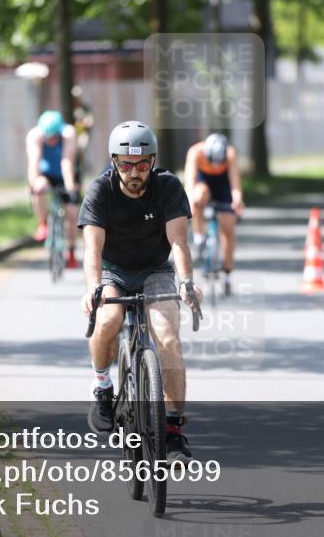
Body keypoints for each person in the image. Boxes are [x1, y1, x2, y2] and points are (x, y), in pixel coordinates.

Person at [78, 121, 202, 463]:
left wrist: (187, 282)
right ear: (114, 162)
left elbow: (178, 241)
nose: (135, 172)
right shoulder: (100, 191)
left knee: (167, 337)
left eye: (143, 164)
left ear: (154, 161)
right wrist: (93, 289)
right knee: (108, 319)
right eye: (126, 164)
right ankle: (103, 386)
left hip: (155, 271)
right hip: (113, 270)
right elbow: (92, 249)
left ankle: (174, 430)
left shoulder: (168, 187)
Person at [184, 133, 245, 294]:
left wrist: (237, 200)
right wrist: (190, 204)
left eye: (220, 163)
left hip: (223, 185)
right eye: (213, 163)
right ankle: (199, 237)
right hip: (203, 182)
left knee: (228, 229)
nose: (216, 166)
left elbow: (235, 185)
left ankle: (227, 273)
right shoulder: (195, 152)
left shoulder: (230, 154)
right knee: (198, 197)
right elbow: (189, 184)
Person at [26, 110, 79, 267]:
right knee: (39, 187)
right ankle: (43, 223)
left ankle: (71, 251)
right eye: (48, 138)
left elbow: (66, 161)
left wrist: (70, 187)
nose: (51, 141)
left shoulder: (69, 133)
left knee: (72, 212)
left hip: (66, 174)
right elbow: (34, 162)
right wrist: (33, 185)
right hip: (46, 174)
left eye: (54, 138)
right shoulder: (34, 135)